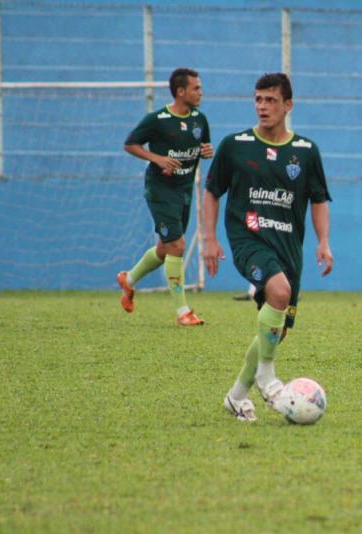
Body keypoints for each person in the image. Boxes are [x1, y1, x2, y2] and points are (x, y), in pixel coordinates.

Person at [203, 73, 333, 422]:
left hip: (288, 245)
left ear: (288, 105)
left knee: (276, 330)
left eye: (271, 100)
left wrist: (323, 241)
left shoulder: (305, 151)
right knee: (278, 291)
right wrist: (209, 239)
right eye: (258, 99)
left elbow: (319, 200)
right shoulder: (236, 145)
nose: (263, 106)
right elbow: (212, 191)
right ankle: (268, 378)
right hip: (249, 239)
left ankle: (236, 397)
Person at [117, 67, 214, 326]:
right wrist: (157, 158)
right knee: (178, 246)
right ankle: (183, 312)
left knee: (165, 248)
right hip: (160, 190)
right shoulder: (157, 119)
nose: (201, 92)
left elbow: (202, 147)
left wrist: (206, 151)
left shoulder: (199, 120)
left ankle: (128, 280)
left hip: (183, 191)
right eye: (196, 88)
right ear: (180, 91)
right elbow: (130, 144)